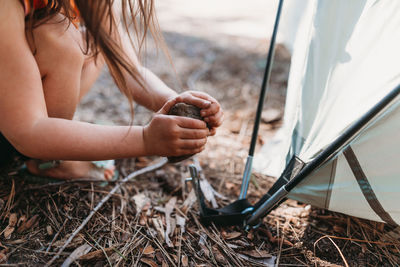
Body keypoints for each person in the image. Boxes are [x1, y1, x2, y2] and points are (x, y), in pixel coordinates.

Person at [0, 0, 223, 180]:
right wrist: (146, 140)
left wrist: (175, 101)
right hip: (20, 134)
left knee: (95, 43)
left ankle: (49, 153)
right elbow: (30, 129)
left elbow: (128, 69)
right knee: (58, 34)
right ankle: (51, 158)